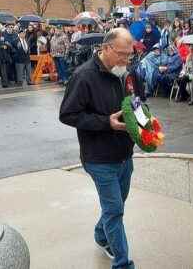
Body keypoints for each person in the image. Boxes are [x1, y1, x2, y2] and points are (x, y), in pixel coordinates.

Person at [59, 28, 136, 269]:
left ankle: (101, 236)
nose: (126, 60)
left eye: (130, 55)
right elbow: (68, 114)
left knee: (117, 205)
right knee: (114, 211)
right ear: (106, 48)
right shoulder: (83, 76)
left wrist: (145, 123)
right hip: (99, 158)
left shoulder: (123, 72)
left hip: (124, 154)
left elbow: (133, 102)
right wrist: (106, 123)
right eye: (122, 54)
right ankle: (123, 264)